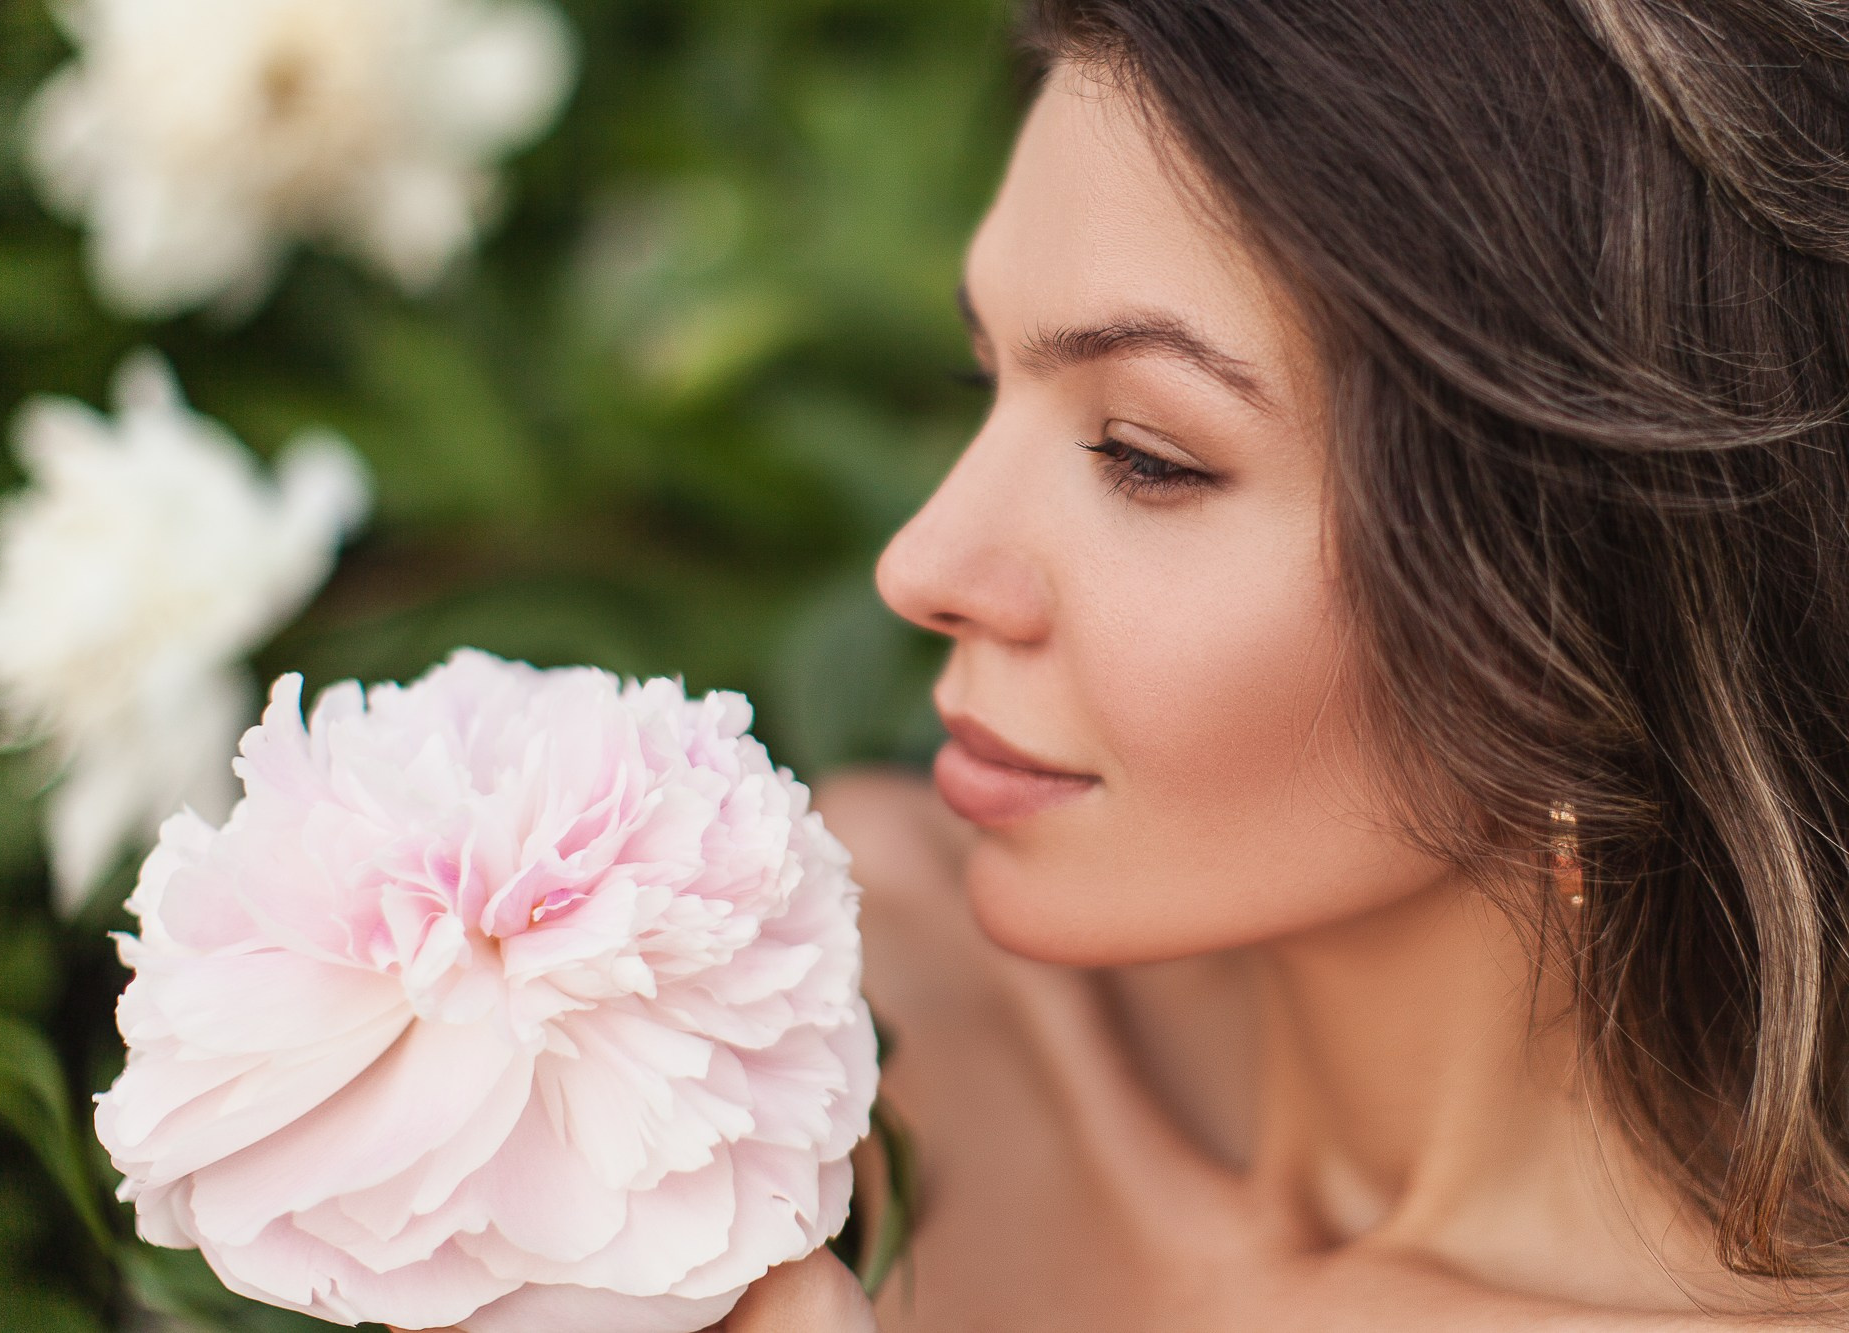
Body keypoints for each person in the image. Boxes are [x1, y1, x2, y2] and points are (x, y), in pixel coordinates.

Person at [717, 0, 1849, 1327]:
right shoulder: (809, 990)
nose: (920, 563)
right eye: (987, 382)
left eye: (1146, 456)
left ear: (1580, 595)